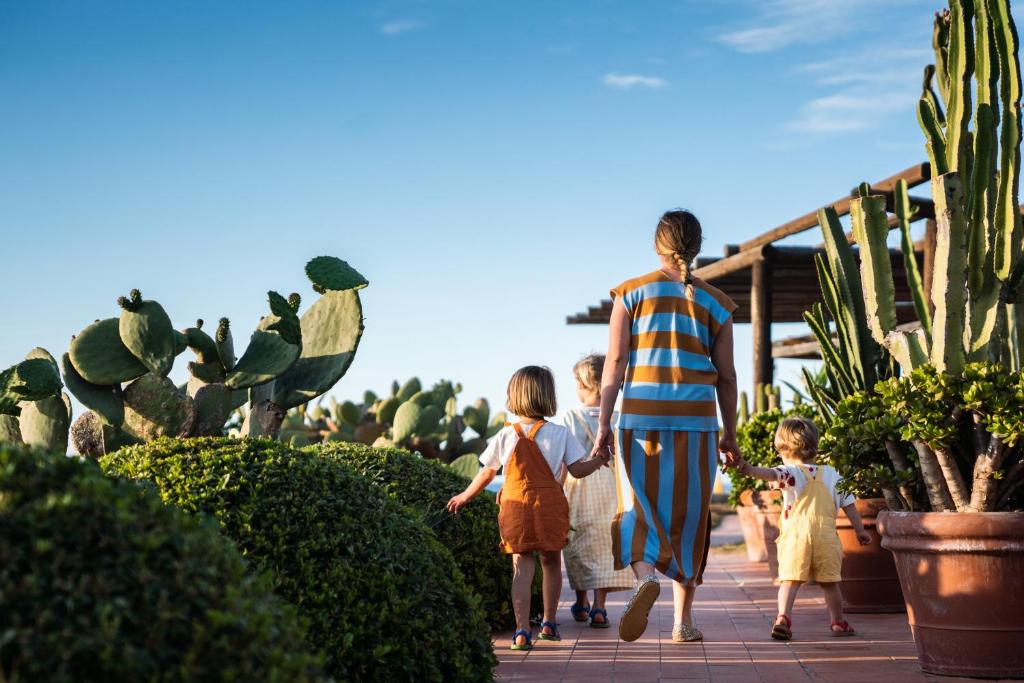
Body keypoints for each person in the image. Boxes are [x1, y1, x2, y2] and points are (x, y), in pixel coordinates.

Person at [594, 209, 740, 644]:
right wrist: (729, 434)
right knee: (689, 518)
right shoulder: (718, 303)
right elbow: (727, 377)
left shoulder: (631, 293)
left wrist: (603, 423)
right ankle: (682, 623)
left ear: (657, 245)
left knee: (636, 507)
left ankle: (643, 579)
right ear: (697, 247)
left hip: (639, 419)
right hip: (697, 424)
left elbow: (615, 363)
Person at [447, 365, 610, 651]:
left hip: (515, 505)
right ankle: (549, 623)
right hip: (550, 506)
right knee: (550, 563)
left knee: (521, 568)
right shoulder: (559, 434)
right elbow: (577, 470)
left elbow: (487, 473)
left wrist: (464, 496)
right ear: (548, 396)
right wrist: (599, 459)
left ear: (514, 396)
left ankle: (522, 631)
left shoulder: (505, 435)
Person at [727, 416, 872, 640]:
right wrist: (860, 530)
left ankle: (783, 617)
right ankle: (837, 622)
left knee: (790, 580)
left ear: (783, 447)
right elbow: (849, 503)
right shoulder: (832, 474)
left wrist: (746, 468)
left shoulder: (790, 472)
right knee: (830, 583)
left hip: (796, 536)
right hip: (826, 536)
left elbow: (768, 473)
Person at [561, 354, 634, 629]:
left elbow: (563, 461)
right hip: (613, 487)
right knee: (606, 546)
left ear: (583, 384)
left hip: (579, 486)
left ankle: (581, 602)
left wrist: (557, 489)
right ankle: (600, 607)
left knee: (579, 544)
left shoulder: (570, 416)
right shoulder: (620, 417)